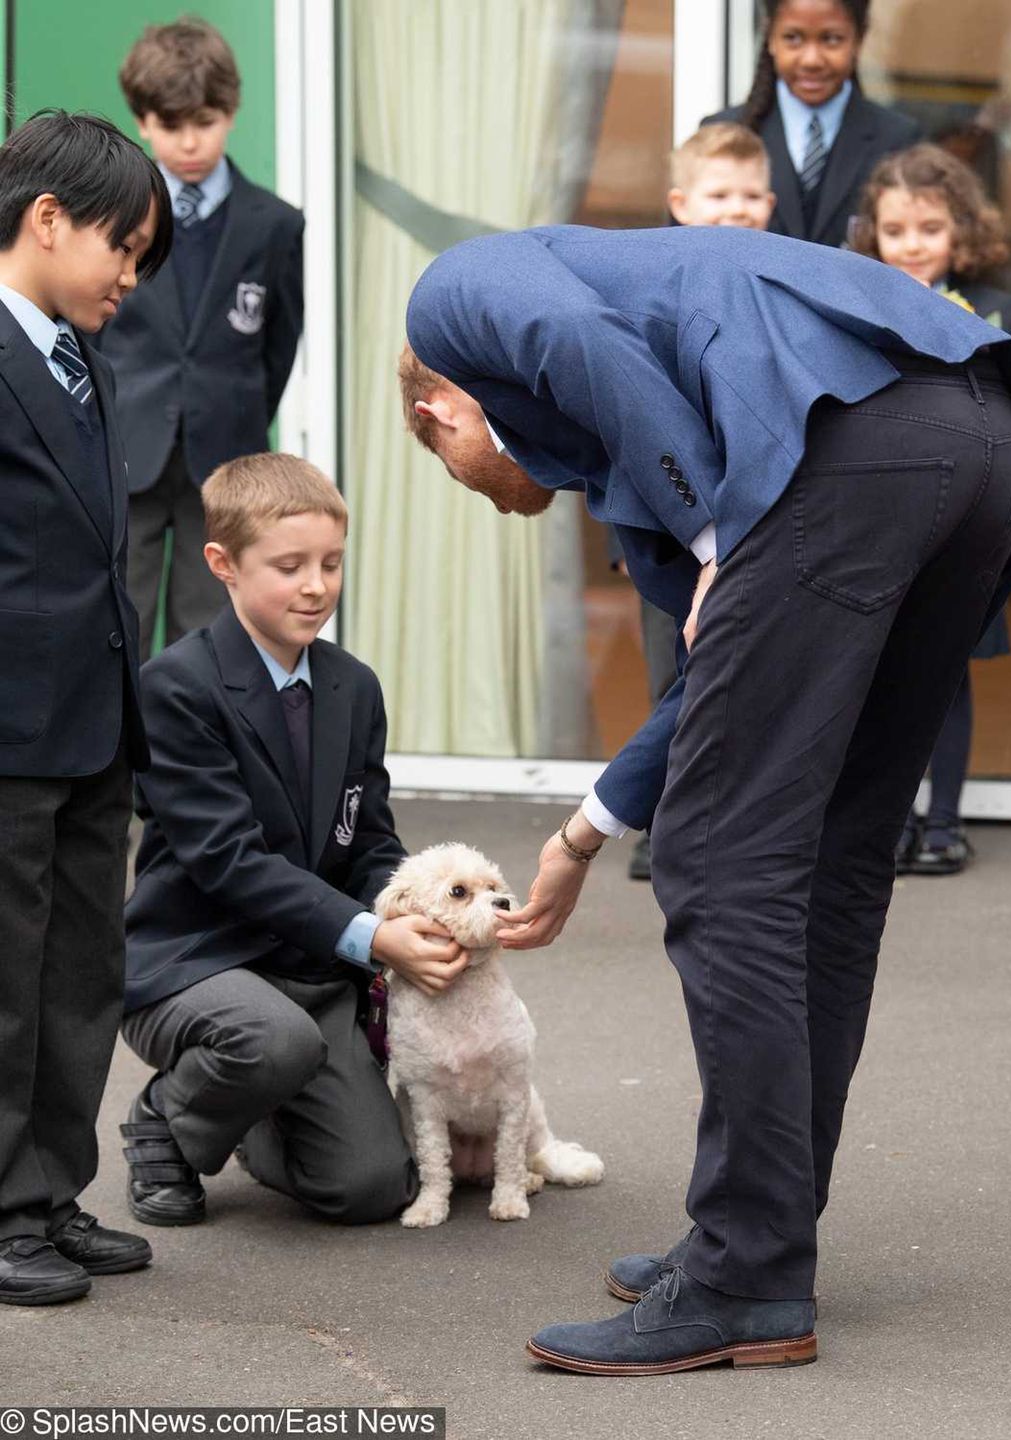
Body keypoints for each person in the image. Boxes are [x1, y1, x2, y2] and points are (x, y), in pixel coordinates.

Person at [400, 221, 1011, 1373]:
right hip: (978, 438)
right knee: (834, 852)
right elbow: (713, 681)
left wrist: (713, 537)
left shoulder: (452, 297)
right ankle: (760, 1236)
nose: (504, 495)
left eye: (458, 471)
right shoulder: (652, 450)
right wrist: (580, 837)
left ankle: (746, 1273)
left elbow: (574, 335)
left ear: (438, 413)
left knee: (721, 859)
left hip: (846, 443)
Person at [119, 453, 469, 1229]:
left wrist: (413, 912)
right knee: (271, 1041)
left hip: (309, 973)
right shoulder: (176, 686)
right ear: (224, 564)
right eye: (289, 567)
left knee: (371, 1187)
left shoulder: (355, 686)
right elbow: (229, 861)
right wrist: (372, 937)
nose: (316, 586)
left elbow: (369, 837)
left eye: (331, 564)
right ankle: (165, 1121)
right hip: (198, 963)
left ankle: (255, 1105)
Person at [0, 110, 172, 1306]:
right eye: (125, 246)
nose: (131, 276)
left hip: (92, 724)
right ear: (49, 218)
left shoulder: (81, 359)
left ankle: (49, 1192)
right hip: (8, 732)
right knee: (5, 984)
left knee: (77, 974)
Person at [94, 16, 305, 661]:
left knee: (208, 628)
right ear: (142, 122)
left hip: (223, 459)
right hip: (124, 450)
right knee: (116, 616)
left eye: (205, 122)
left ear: (232, 112)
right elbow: (90, 329)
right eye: (171, 124)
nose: (189, 142)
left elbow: (278, 345)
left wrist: (235, 416)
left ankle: (190, 731)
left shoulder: (275, 224)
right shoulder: (111, 216)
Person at [851, 142, 1011, 875]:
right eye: (895, 231)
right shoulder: (856, 304)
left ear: (961, 230)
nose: (913, 245)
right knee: (876, 675)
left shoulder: (997, 309)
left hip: (969, 518)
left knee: (949, 675)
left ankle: (946, 822)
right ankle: (887, 825)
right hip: (884, 515)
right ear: (872, 235)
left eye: (930, 229)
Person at [623, 121, 777, 880]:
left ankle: (740, 825)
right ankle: (660, 821)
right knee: (674, 669)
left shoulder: (781, 286)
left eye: (750, 196)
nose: (736, 209)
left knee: (756, 670)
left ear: (771, 205)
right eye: (719, 195)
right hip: (671, 522)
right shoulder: (651, 289)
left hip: (758, 515)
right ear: (680, 204)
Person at [704, 0, 920, 250]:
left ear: (859, 39)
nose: (811, 60)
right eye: (793, 38)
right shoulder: (722, 134)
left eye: (831, 39)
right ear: (770, 37)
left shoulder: (897, 139)